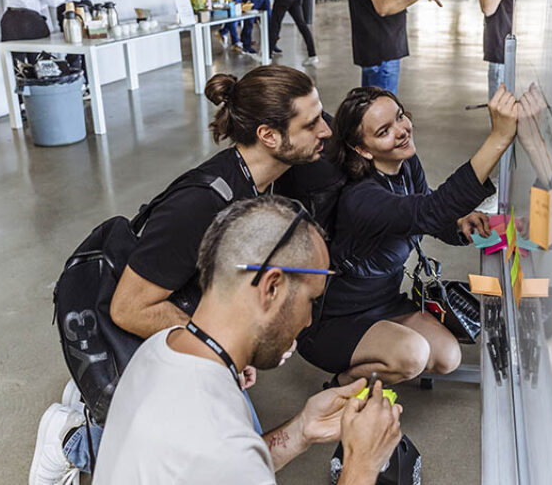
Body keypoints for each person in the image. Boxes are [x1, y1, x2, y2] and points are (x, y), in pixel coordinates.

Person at [29, 65, 340, 484]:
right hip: (133, 322)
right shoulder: (200, 205)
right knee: (211, 455)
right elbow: (127, 309)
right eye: (313, 122)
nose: (326, 130)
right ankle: (70, 441)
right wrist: (224, 349)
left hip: (179, 321)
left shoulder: (269, 180)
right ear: (268, 136)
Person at [93, 197, 404, 484]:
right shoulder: (219, 438)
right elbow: (226, 459)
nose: (309, 320)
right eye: (312, 300)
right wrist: (362, 465)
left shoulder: (163, 346)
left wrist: (302, 429)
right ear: (271, 288)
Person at [297, 86, 519, 385]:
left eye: (400, 117)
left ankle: (387, 348)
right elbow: (430, 211)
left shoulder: (405, 165)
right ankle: (339, 387)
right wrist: (499, 137)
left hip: (385, 302)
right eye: (384, 131)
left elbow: (426, 213)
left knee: (446, 357)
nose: (401, 131)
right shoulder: (361, 198)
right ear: (362, 149)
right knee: (412, 355)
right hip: (336, 320)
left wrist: (459, 224)